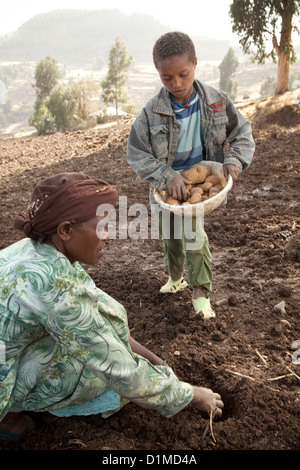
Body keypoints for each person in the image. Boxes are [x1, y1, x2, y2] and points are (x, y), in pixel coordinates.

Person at [0, 172, 223, 442]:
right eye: (103, 226)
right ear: (66, 230)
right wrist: (192, 395)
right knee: (106, 382)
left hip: (8, 355)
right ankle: (10, 415)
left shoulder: (33, 250)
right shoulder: (55, 287)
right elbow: (121, 372)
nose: (109, 236)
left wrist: (159, 363)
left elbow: (100, 317)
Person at [127, 31, 255, 319]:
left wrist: (234, 160)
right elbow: (136, 152)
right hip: (164, 189)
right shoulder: (151, 112)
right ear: (158, 74)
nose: (177, 84)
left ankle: (200, 294)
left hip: (199, 186)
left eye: (183, 74)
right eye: (167, 78)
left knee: (194, 236)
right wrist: (165, 175)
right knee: (171, 237)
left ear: (195, 63)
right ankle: (176, 279)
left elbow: (242, 132)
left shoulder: (216, 101)